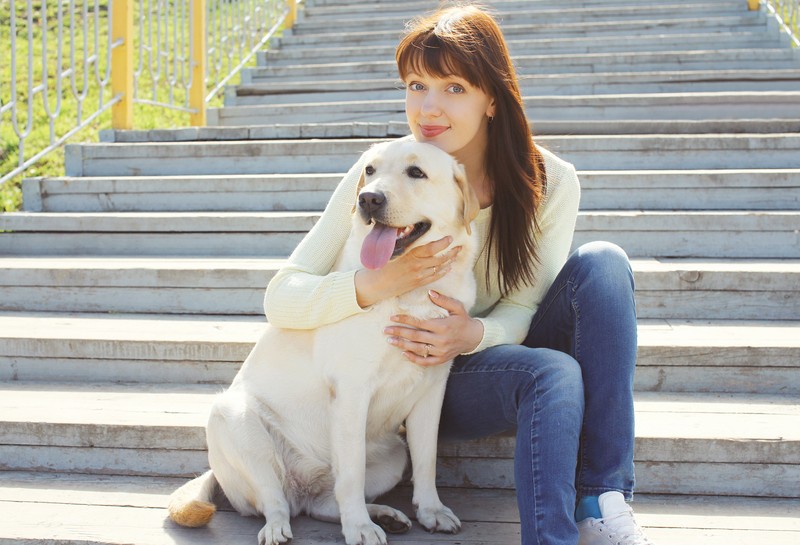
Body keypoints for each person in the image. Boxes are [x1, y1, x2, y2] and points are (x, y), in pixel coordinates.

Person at [264, 5, 654, 545]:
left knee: (605, 264)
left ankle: (602, 498)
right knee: (554, 373)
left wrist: (474, 333)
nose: (428, 107)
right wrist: (374, 284)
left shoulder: (552, 181)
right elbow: (283, 296)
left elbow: (524, 304)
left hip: (485, 354)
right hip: (416, 375)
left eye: (453, 88)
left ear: (492, 97)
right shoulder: (380, 175)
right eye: (416, 85)